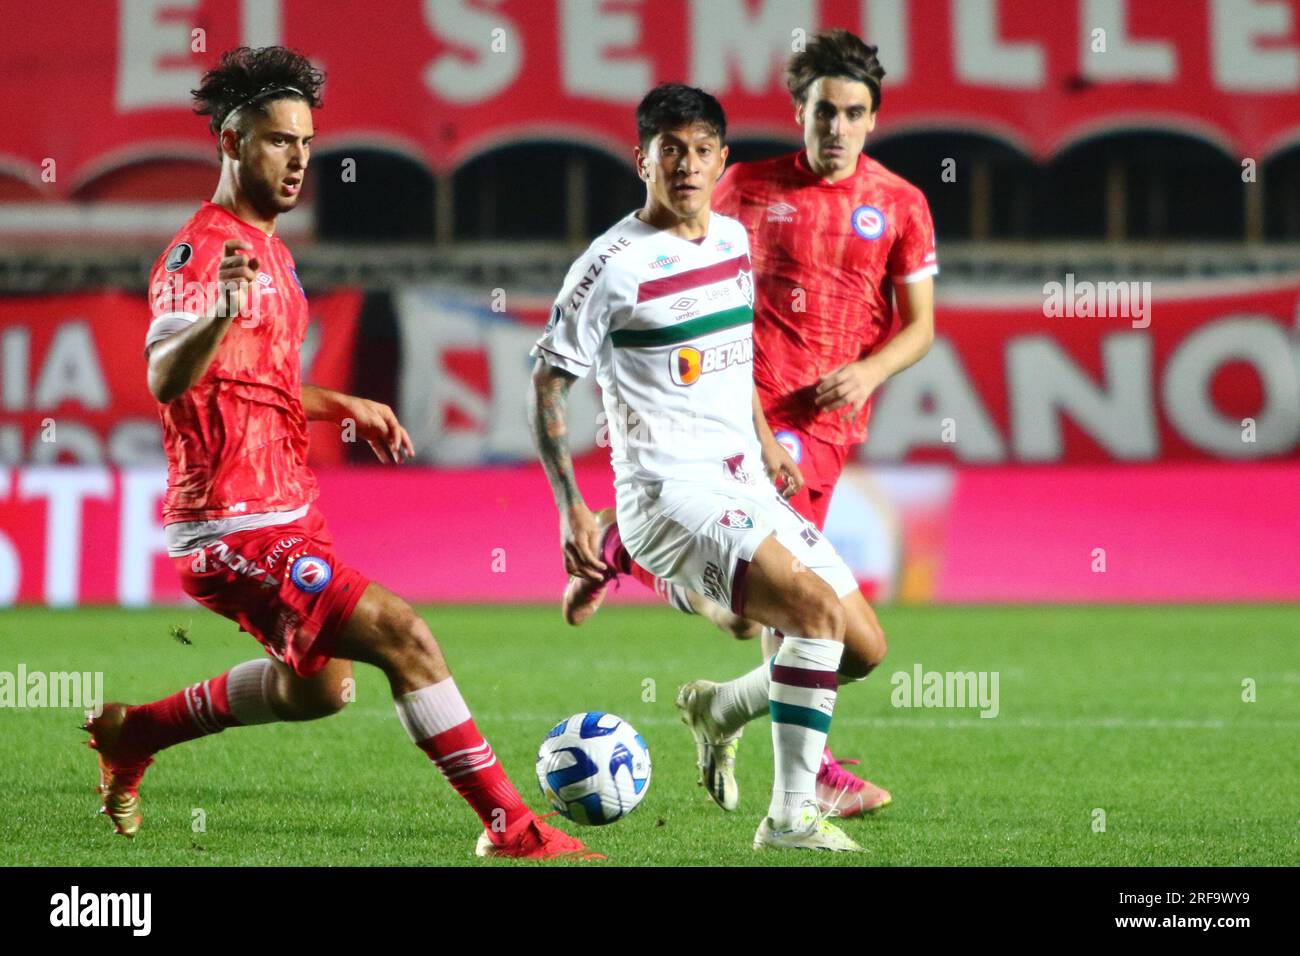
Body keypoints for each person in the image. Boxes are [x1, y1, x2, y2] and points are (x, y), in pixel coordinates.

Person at [84, 46, 594, 861]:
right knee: (407, 636)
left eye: (307, 144)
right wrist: (218, 311)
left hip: (290, 508)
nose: (298, 160)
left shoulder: (273, 254)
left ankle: (133, 729)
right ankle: (511, 827)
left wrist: (339, 401)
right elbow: (165, 377)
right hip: (230, 524)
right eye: (278, 140)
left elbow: (254, 380)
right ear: (229, 142)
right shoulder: (202, 254)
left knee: (319, 689)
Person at [562, 30, 937, 821]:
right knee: (798, 610)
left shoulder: (902, 203)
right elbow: (674, 253)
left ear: (874, 119)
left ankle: (647, 585)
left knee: (766, 622)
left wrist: (868, 372)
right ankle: (808, 786)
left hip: (833, 427)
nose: (836, 127)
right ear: (798, 113)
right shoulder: (743, 187)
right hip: (749, 420)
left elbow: (922, 327)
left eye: (853, 113)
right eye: (822, 111)